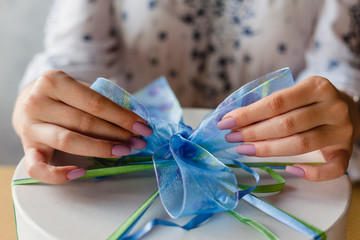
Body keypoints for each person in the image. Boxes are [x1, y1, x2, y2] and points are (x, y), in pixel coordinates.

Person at [12, 0, 360, 184]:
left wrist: (343, 109)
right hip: (124, 181)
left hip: (280, 182)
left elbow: (337, 68)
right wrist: (39, 102)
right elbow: (73, 63)